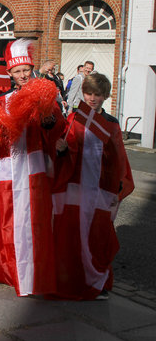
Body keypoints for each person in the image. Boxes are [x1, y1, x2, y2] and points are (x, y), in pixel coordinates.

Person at [0, 38, 66, 297]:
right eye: (17, 71)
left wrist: (48, 118)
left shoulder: (44, 95)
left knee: (33, 219)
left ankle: (33, 271)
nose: (23, 75)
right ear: (10, 74)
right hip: (7, 166)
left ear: (32, 69)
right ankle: (8, 268)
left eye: (26, 69)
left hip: (33, 165)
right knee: (6, 219)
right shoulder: (2, 100)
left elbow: (55, 126)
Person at [52, 73, 134, 300]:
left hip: (100, 189)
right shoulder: (74, 119)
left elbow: (118, 159)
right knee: (71, 235)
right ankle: (71, 279)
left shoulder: (111, 124)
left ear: (105, 96)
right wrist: (61, 150)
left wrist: (117, 186)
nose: (92, 98)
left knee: (97, 236)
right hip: (75, 187)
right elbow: (64, 151)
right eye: (88, 93)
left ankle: (96, 282)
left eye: (97, 94)